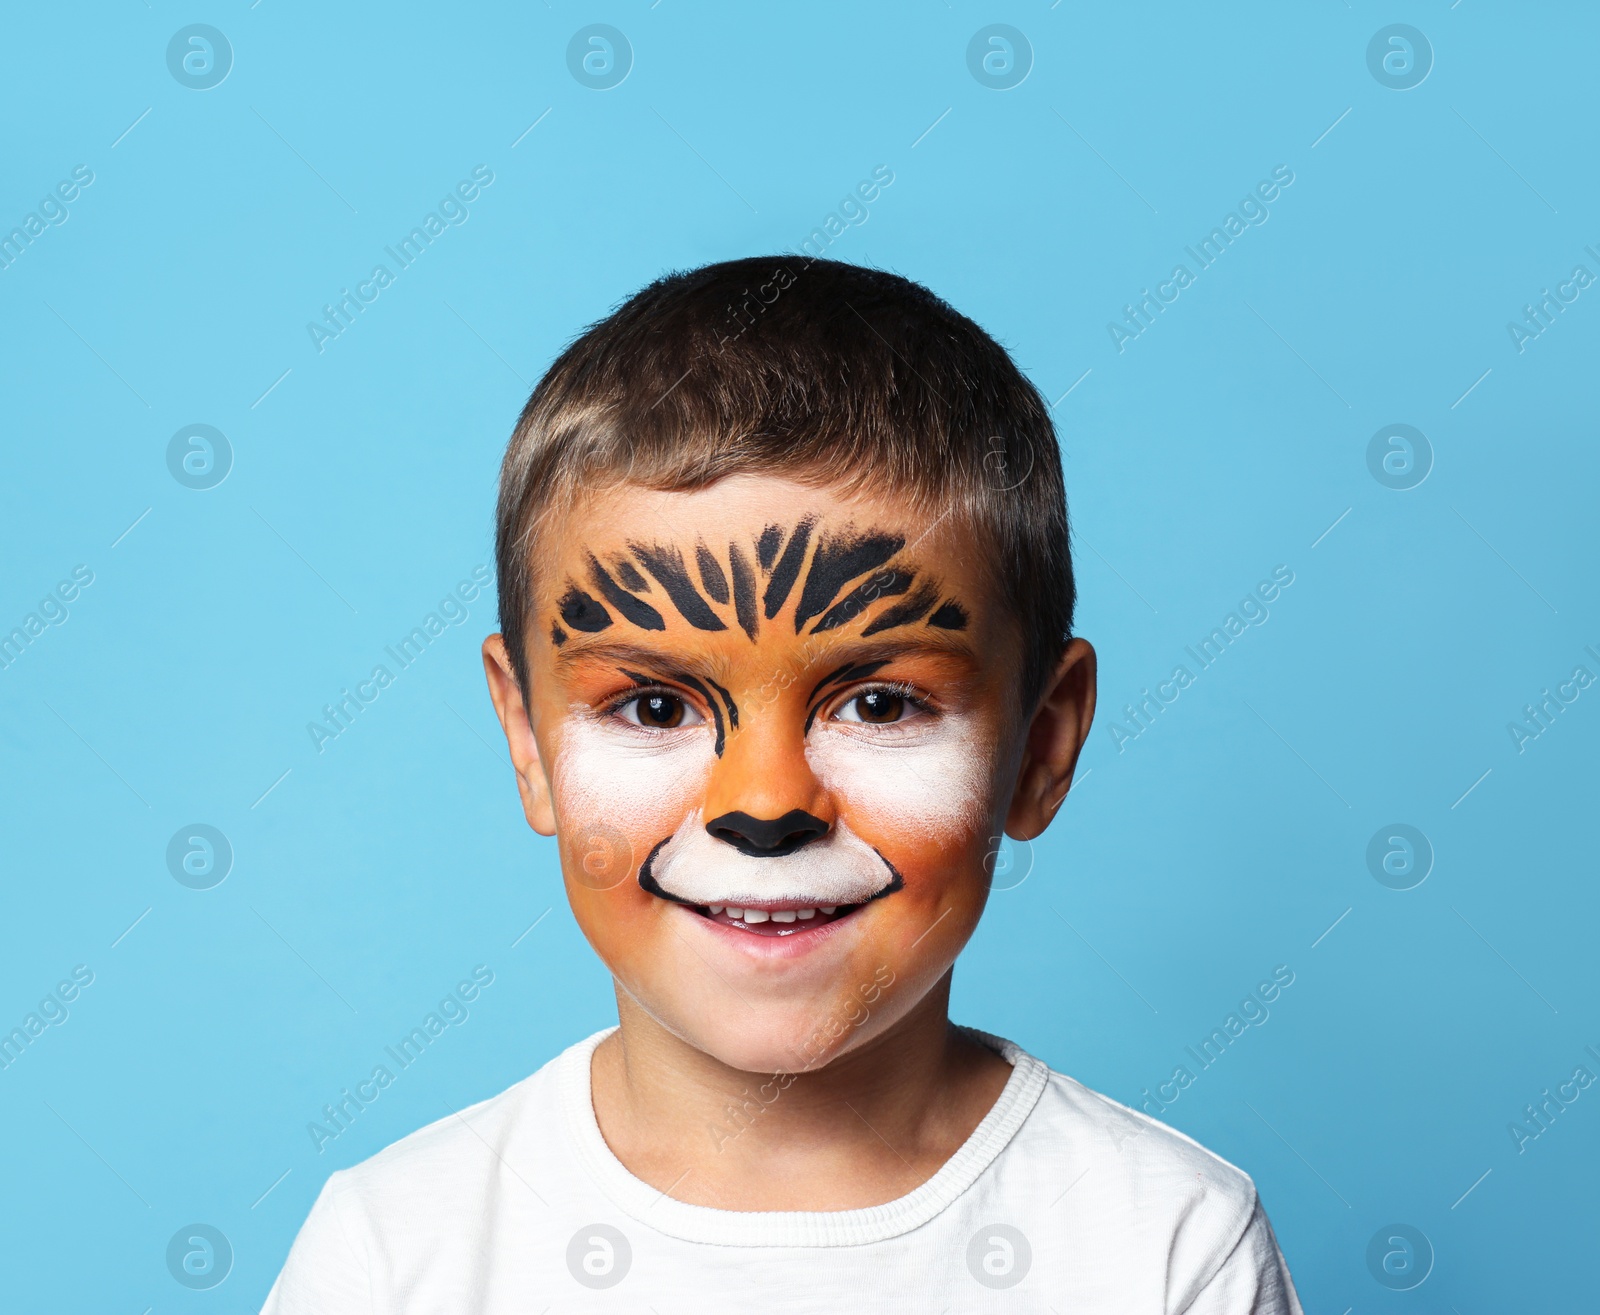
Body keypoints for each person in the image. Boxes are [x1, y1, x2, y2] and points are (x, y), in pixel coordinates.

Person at [261, 257, 1303, 1312]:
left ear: (1040, 745)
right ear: (528, 738)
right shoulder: (395, 1254)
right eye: (655, 707)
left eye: (881, 705)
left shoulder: (1162, 1241)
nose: (763, 805)